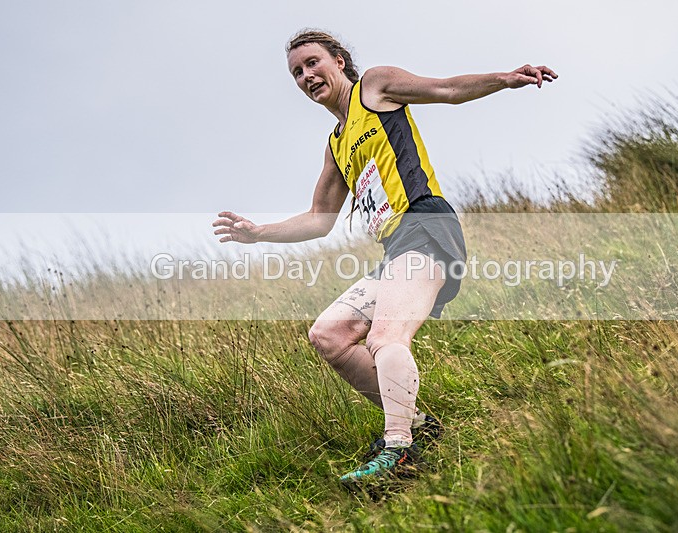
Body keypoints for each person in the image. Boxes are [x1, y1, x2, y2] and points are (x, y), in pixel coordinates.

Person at [213, 30, 557, 483]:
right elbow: (319, 218)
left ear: (338, 61)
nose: (306, 76)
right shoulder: (337, 144)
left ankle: (399, 450)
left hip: (427, 227)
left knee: (385, 338)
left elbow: (447, 90)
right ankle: (416, 423)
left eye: (313, 63)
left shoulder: (374, 87)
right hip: (398, 247)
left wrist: (506, 78)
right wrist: (258, 234)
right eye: (297, 72)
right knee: (329, 335)